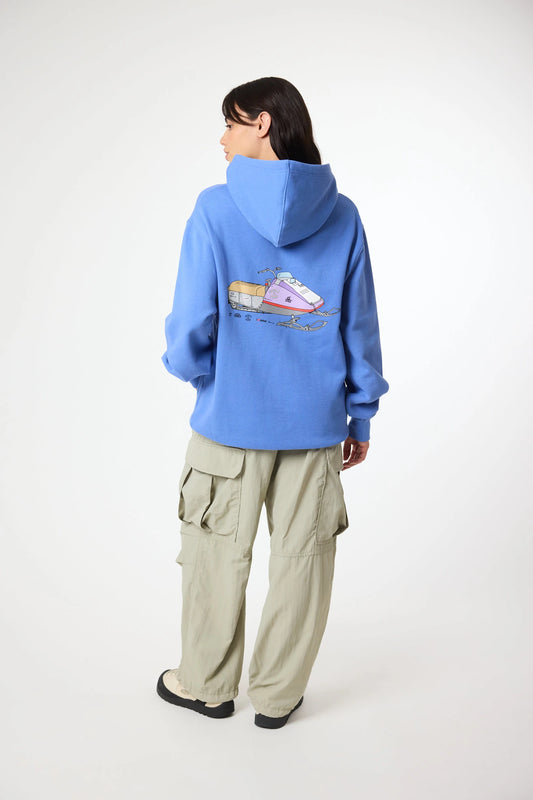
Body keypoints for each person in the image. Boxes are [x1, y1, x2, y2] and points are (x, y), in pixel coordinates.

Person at [156, 77, 390, 729]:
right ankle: (278, 698)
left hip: (228, 425)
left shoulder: (214, 207)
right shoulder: (342, 213)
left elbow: (191, 323)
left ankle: (206, 685)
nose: (222, 138)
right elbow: (360, 326)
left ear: (261, 123)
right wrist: (360, 412)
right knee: (302, 564)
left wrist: (201, 375)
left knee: (214, 556)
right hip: (314, 427)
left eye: (230, 123)